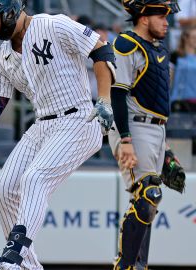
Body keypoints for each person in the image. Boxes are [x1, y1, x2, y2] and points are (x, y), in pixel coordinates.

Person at [0, 0, 116, 269]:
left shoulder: (53, 24)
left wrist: (105, 99)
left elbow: (101, 48)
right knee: (3, 189)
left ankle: (13, 258)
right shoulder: (0, 58)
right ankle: (27, 265)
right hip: (42, 124)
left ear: (12, 10)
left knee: (34, 179)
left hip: (79, 119)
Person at [109, 1, 180, 269]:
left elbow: (157, 101)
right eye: (161, 16)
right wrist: (125, 139)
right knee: (148, 194)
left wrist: (166, 147)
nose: (166, 21)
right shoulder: (127, 44)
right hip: (133, 125)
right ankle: (125, 265)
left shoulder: (158, 49)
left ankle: (139, 264)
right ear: (143, 17)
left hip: (156, 129)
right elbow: (118, 93)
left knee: (149, 199)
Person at [171, 27, 196, 112]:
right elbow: (170, 79)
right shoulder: (175, 56)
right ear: (185, 38)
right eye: (193, 37)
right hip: (180, 102)